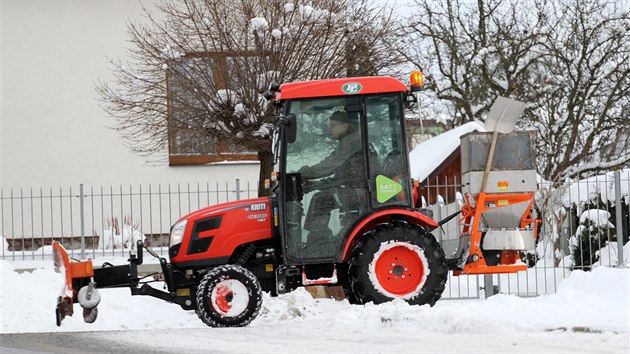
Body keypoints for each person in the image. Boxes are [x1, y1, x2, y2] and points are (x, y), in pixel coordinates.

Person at [298, 111, 365, 252]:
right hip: (354, 187)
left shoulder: (351, 141)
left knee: (320, 199)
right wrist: (315, 184)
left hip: (359, 191)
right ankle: (318, 239)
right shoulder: (350, 141)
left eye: (333, 125)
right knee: (321, 196)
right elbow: (340, 175)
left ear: (345, 126)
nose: (330, 129)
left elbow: (330, 165)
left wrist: (304, 173)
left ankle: (318, 242)